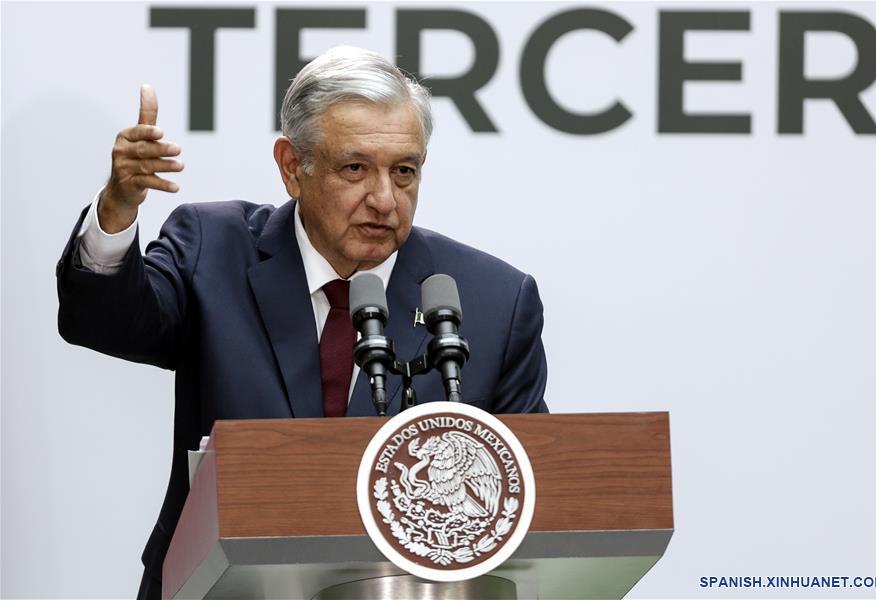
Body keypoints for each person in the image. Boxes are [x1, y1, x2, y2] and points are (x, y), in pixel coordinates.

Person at [56, 46, 548, 599]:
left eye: (404, 172)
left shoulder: (493, 301)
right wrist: (118, 209)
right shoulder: (213, 249)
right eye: (355, 168)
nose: (385, 199)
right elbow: (103, 323)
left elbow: (532, 502)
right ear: (293, 167)